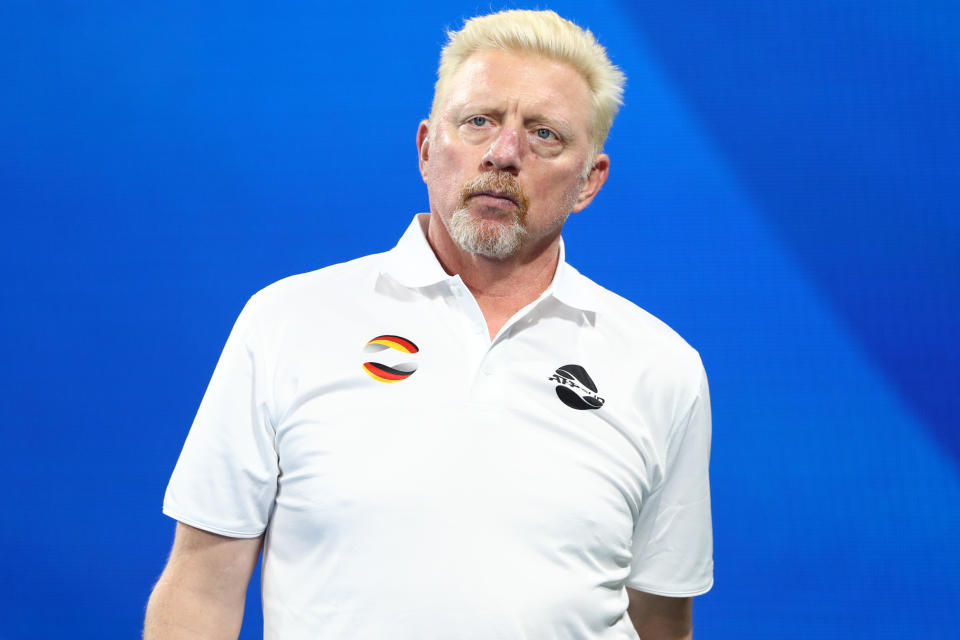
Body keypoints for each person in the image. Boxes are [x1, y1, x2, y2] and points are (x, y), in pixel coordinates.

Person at [144, 9, 713, 640]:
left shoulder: (660, 365)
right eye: (478, 121)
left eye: (545, 134)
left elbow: (662, 619)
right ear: (424, 148)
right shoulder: (287, 322)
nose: (503, 153)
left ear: (589, 182)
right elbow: (201, 587)